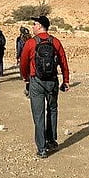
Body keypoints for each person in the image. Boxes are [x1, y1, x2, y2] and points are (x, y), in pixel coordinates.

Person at [19, 15, 70, 158]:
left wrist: (26, 78)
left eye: (34, 24)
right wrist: (65, 80)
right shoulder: (56, 42)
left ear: (40, 26)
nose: (33, 26)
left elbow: (23, 63)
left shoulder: (30, 43)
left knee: (38, 114)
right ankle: (52, 141)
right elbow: (63, 63)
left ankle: (41, 148)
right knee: (52, 109)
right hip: (52, 81)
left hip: (36, 81)